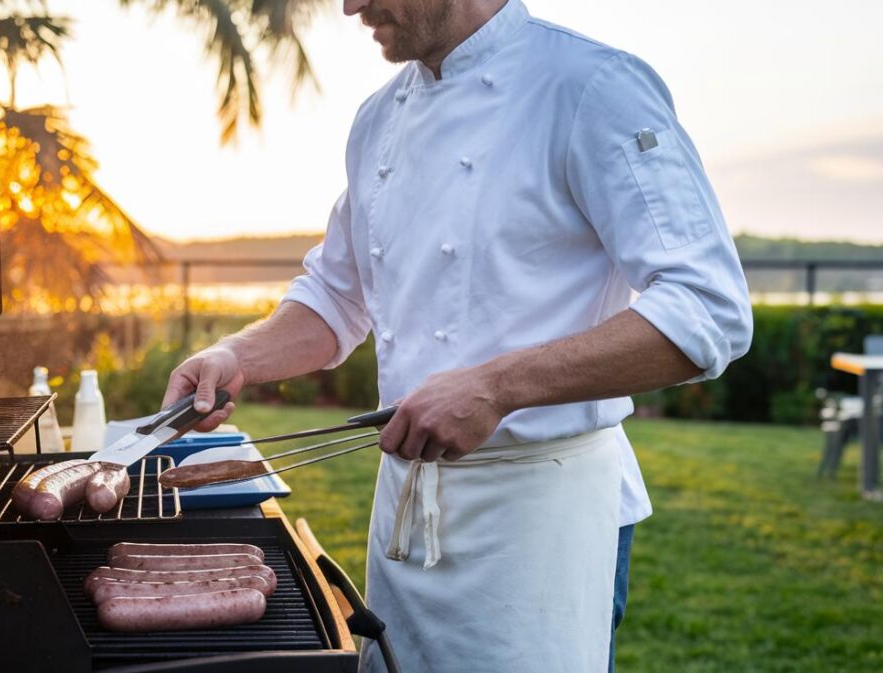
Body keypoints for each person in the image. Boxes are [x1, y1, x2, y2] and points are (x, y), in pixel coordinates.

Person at [161, 0, 753, 670]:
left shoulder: (591, 86)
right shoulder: (377, 119)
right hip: (407, 521)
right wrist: (235, 353)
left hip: (539, 521)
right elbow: (335, 296)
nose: (350, 5)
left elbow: (708, 307)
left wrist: (498, 386)